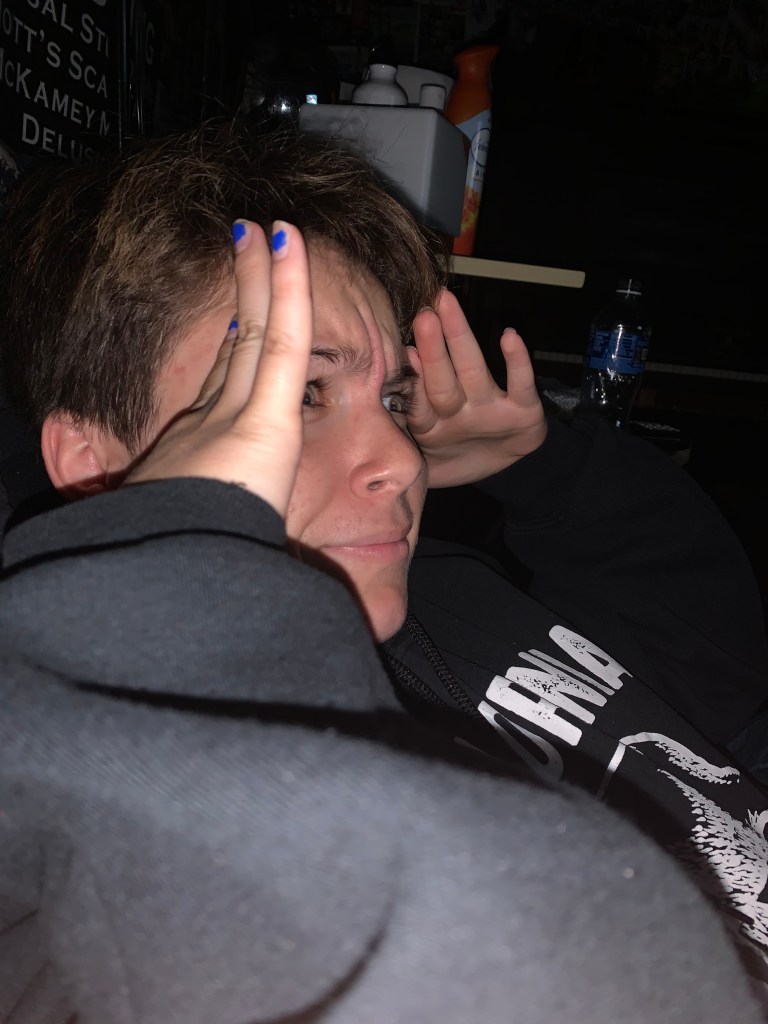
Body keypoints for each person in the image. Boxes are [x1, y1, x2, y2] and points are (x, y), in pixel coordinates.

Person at [1, 120, 767, 1006]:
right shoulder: (98, 792)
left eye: (393, 399)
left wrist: (546, 470)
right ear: (95, 467)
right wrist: (183, 568)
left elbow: (716, 681)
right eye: (302, 393)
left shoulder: (451, 593)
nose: (403, 460)